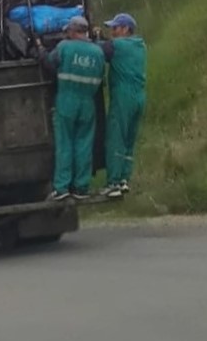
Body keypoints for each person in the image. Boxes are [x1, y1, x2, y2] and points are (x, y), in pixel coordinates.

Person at [38, 16, 106, 201]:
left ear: (73, 31)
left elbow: (50, 64)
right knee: (84, 145)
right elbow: (101, 77)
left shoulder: (64, 47)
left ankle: (62, 187)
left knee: (65, 143)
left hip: (67, 101)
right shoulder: (98, 52)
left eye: (68, 31)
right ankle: (81, 187)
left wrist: (41, 51)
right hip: (87, 102)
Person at [97, 13, 147, 198]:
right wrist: (103, 38)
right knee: (128, 140)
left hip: (122, 97)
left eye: (115, 28)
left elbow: (100, 51)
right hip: (139, 96)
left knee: (115, 139)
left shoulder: (117, 46)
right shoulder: (140, 45)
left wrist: (93, 40)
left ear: (126, 29)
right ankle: (125, 179)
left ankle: (113, 183)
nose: (112, 32)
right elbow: (111, 47)